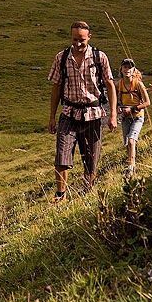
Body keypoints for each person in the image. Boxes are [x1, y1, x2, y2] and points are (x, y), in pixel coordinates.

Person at [48, 20, 117, 202]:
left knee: (91, 158)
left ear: (89, 37)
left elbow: (110, 84)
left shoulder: (99, 57)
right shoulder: (61, 58)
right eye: (74, 40)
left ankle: (88, 192)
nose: (78, 44)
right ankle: (60, 194)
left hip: (93, 113)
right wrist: (52, 117)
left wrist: (113, 114)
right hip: (69, 112)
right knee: (61, 154)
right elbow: (56, 87)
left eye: (82, 40)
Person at [115, 57, 150, 176]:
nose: (127, 69)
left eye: (129, 67)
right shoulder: (118, 84)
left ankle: (131, 167)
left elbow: (147, 102)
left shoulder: (138, 84)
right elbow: (116, 100)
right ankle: (130, 160)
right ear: (121, 69)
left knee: (131, 140)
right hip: (125, 117)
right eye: (125, 67)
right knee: (127, 143)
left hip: (137, 116)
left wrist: (132, 109)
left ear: (134, 69)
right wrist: (119, 108)